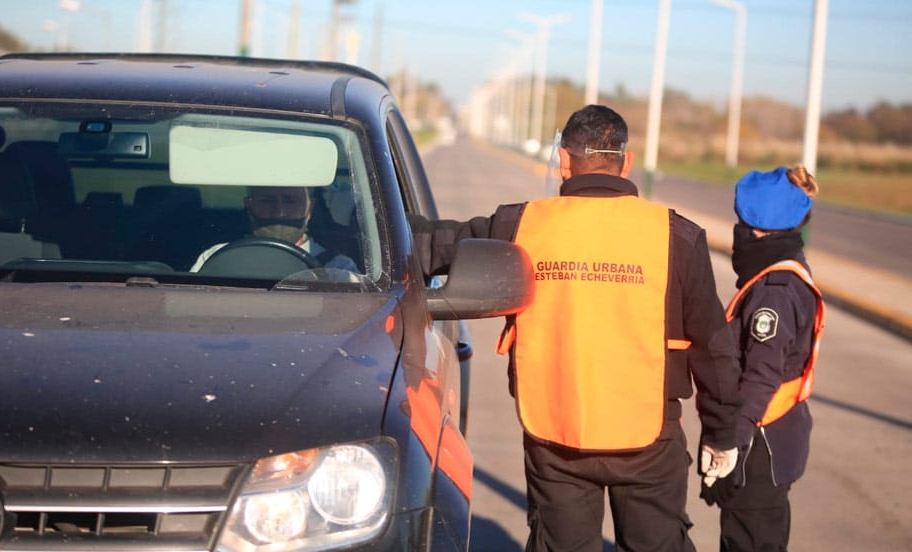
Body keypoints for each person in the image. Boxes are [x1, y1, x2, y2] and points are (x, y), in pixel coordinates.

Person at [409, 104, 742, 551]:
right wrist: (721, 434)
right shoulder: (676, 236)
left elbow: (441, 244)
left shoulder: (521, 224)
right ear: (627, 160)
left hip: (554, 432)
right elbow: (713, 347)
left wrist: (372, 235)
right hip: (647, 437)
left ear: (563, 160)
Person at [702, 166, 826, 551]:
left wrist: (728, 444)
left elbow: (761, 375)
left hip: (761, 445)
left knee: (750, 541)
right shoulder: (783, 272)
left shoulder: (775, 290)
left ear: (756, 228)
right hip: (772, 437)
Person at [190, 185, 358, 272]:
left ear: (310, 208)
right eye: (267, 200)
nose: (280, 212)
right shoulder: (216, 258)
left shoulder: (338, 269)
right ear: (249, 205)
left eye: (291, 201)